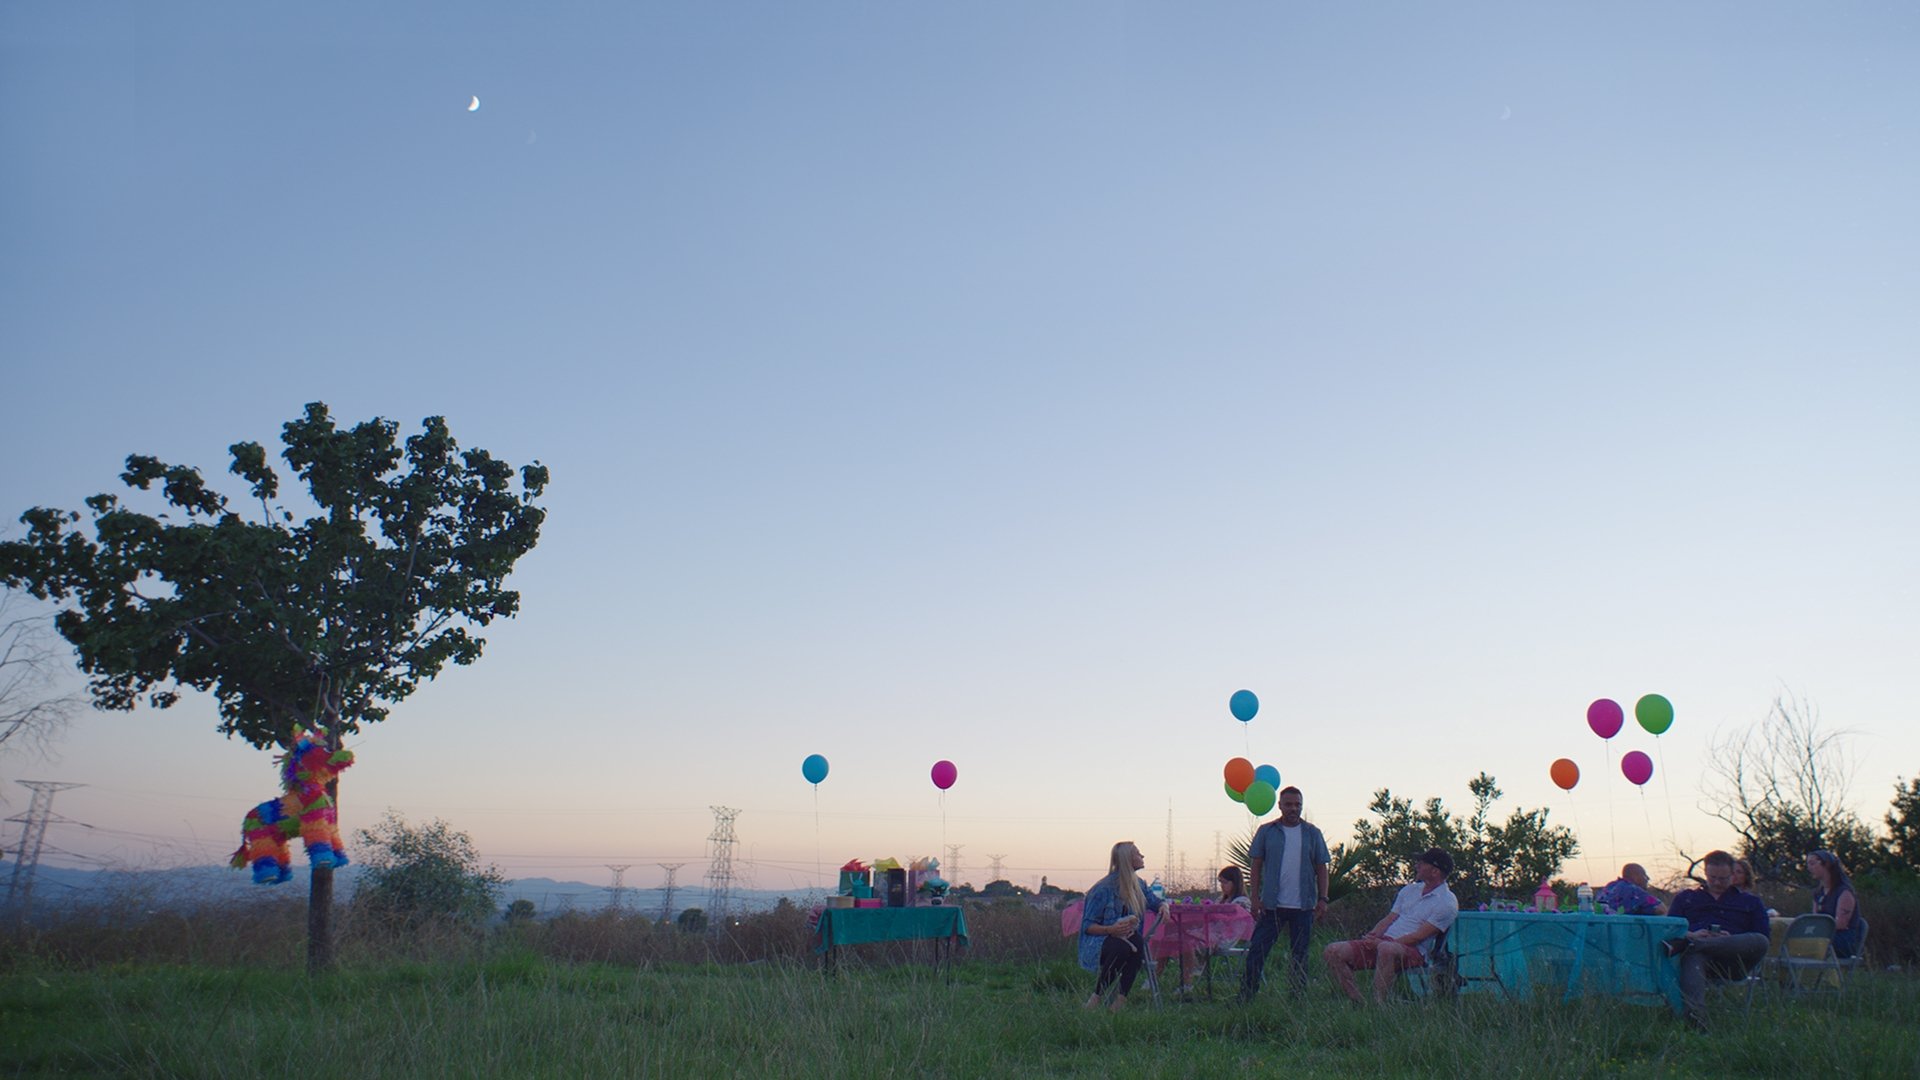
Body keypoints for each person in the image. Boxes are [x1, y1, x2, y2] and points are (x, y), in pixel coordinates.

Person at [1322, 847, 1459, 1005]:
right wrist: (1373, 936)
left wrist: (1383, 943)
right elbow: (1390, 918)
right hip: (1385, 942)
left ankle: (1379, 1003)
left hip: (1413, 950)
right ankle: (1358, 1001)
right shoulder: (1410, 890)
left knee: (1387, 949)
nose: (1417, 866)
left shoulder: (1447, 902)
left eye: (1422, 863)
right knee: (1332, 951)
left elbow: (1419, 936)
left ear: (1435, 871)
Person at [1240, 785, 1331, 1000]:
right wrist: (1254, 897)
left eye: (1297, 805)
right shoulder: (1267, 831)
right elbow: (1256, 865)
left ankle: (1296, 998)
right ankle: (1246, 997)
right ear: (1280, 806)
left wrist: (1323, 898)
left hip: (1303, 906)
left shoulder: (1312, 833)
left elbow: (1321, 867)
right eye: (1289, 804)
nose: (1293, 809)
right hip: (1272, 905)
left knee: (1300, 954)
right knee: (1257, 952)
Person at [1666, 849, 1770, 1030]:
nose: (1717, 883)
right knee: (1694, 957)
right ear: (1705, 873)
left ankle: (1694, 944)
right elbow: (1670, 929)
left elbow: (1762, 936)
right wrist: (1691, 934)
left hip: (1735, 959)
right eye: (1712, 877)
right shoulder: (1686, 898)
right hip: (1701, 960)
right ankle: (1696, 1023)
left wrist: (1731, 939)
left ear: (1733, 875)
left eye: (1723, 879)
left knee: (1760, 941)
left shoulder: (1750, 902)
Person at [1078, 840, 1165, 1011]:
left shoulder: (1139, 885)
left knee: (1136, 941)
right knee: (1123, 946)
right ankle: (1096, 997)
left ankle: (1119, 1000)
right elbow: (1087, 927)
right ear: (1127, 860)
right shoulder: (1103, 889)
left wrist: (1164, 906)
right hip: (1100, 942)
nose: (1142, 856)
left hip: (1130, 940)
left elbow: (1155, 902)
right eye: (1138, 854)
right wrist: (1110, 930)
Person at [1806, 850, 1866, 959]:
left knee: (1807, 945)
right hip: (1822, 937)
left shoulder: (1844, 892)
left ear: (1826, 865)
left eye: (1812, 863)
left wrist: (1817, 929)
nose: (1809, 868)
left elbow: (1841, 924)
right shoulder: (1817, 893)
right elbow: (1815, 919)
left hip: (1843, 939)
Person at [1595, 862, 1667, 915]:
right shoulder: (1634, 891)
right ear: (1635, 876)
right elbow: (1661, 909)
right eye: (1644, 875)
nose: (1648, 878)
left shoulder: (1609, 887)